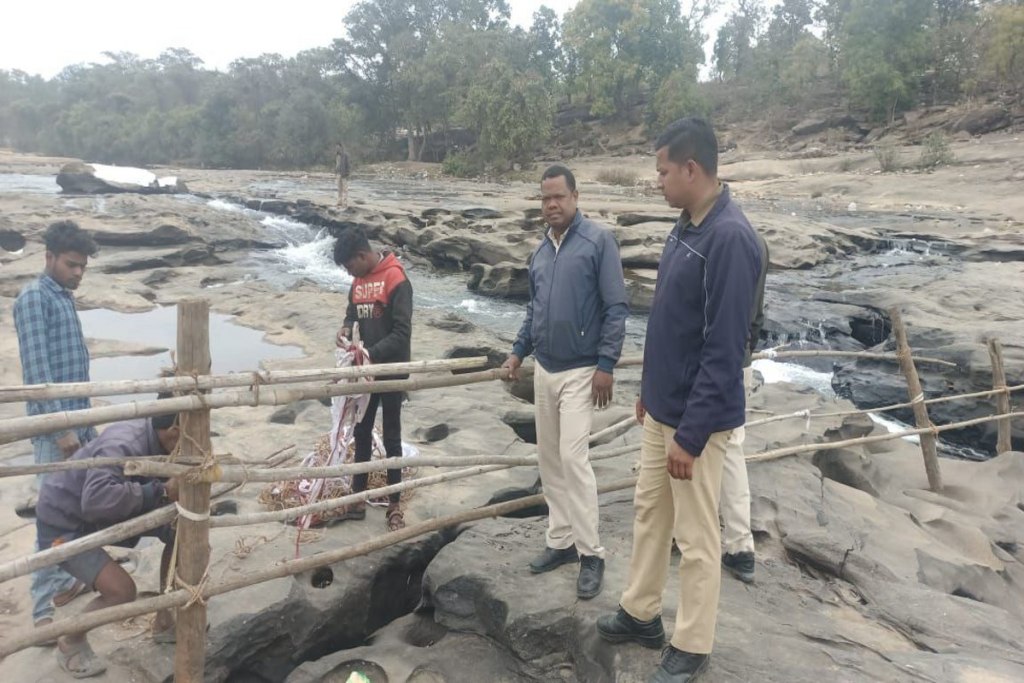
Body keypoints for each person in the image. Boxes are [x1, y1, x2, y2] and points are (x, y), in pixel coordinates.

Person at [596, 118, 762, 683]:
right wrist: (649, 392)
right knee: (650, 515)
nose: (658, 182)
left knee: (695, 538)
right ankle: (641, 612)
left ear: (693, 169)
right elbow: (671, 320)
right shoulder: (686, 225)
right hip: (661, 410)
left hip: (698, 421)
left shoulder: (731, 239)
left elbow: (723, 349)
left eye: (664, 171)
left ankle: (693, 643)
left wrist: (691, 435)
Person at [502, 164, 629, 600]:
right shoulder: (540, 252)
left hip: (581, 370)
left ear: (576, 196)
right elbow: (533, 311)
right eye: (544, 198)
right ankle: (559, 540)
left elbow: (616, 307)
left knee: (574, 460)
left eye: (558, 196)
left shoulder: (598, 242)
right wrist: (519, 350)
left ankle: (591, 553)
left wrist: (606, 364)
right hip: (545, 368)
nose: (551, 205)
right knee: (550, 461)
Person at [35, 411, 182, 678]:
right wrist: (160, 491)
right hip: (64, 524)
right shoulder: (125, 444)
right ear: (174, 429)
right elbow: (96, 500)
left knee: (181, 531)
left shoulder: (156, 441)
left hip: (100, 516)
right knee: (122, 591)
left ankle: (164, 619)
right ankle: (70, 640)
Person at [14, 220, 99, 633]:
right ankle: (42, 613)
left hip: (79, 419)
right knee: (51, 516)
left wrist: (83, 424)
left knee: (79, 505)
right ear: (48, 257)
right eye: (71, 265)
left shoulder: (63, 296)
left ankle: (67, 579)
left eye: (83, 267)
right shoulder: (34, 298)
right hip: (57, 430)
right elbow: (37, 374)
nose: (78, 273)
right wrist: (62, 431)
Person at [333, 228, 413, 531]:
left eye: (350, 266)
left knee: (392, 435)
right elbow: (353, 310)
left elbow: (402, 333)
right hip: (366, 370)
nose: (349, 273)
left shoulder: (396, 279)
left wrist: (370, 353)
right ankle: (358, 496)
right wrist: (346, 325)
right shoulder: (358, 281)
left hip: (390, 369)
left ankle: (394, 504)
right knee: (362, 431)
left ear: (363, 256)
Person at [719, 231, 769, 585]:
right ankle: (739, 546)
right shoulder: (755, 239)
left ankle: (684, 533)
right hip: (739, 361)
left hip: (718, 362)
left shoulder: (723, 236)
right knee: (729, 449)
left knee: (711, 448)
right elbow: (757, 313)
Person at [335, 142, 351, 207]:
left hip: (344, 174)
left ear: (341, 147)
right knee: (339, 189)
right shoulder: (336, 155)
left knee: (345, 189)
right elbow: (336, 165)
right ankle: (339, 202)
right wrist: (335, 172)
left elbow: (348, 165)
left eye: (338, 147)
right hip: (338, 174)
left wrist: (348, 173)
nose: (337, 148)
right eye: (336, 147)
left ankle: (345, 203)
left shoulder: (345, 155)